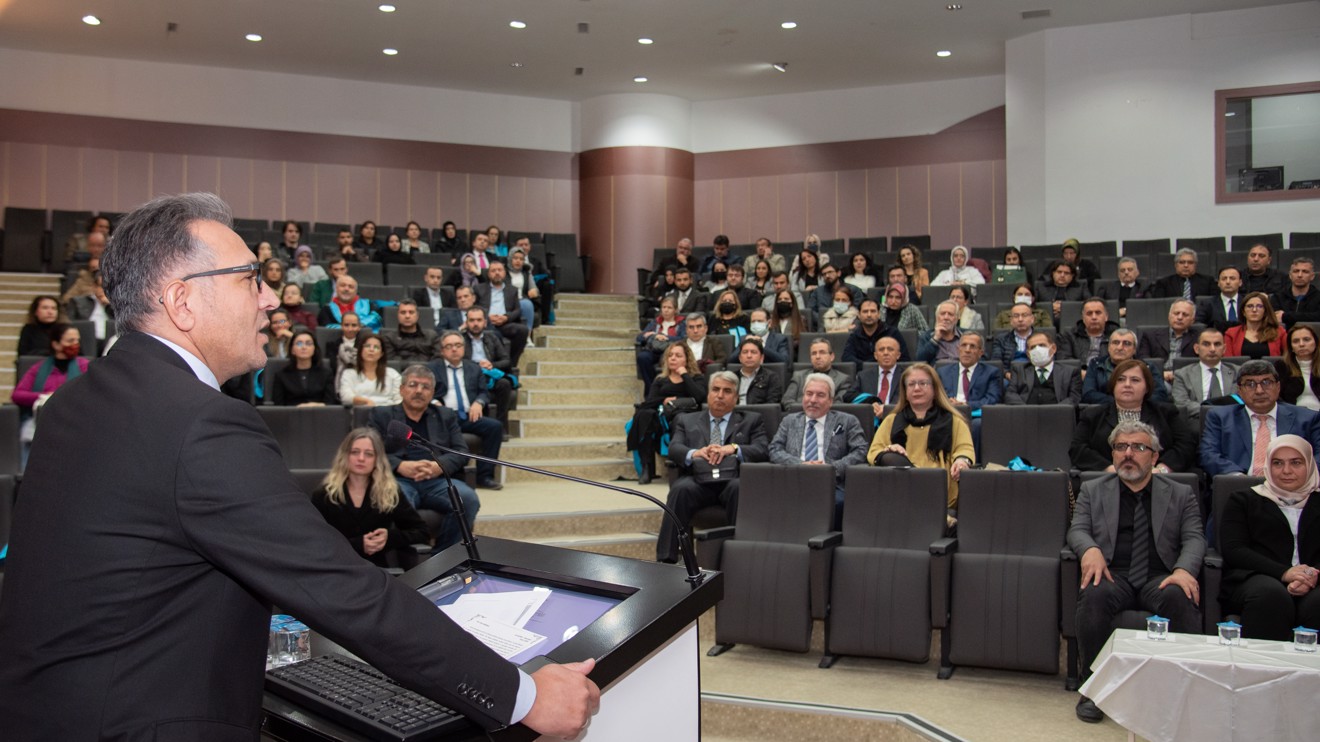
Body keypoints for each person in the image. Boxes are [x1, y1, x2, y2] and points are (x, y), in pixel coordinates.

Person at [0, 194, 597, 739]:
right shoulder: (200, 424)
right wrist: (522, 697)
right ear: (182, 300)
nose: (269, 297)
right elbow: (345, 592)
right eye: (248, 279)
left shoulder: (76, 401)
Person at [1068, 420, 1205, 724]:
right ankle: (1094, 688)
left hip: (1162, 575)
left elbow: (1195, 537)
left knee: (1180, 595)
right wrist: (1089, 549)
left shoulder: (1181, 493)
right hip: (1114, 573)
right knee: (1094, 594)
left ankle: (1185, 688)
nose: (1128, 454)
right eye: (1121, 447)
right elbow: (1078, 529)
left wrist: (1183, 569)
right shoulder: (1093, 489)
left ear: (1154, 456)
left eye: (1138, 447)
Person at [657, 371, 770, 563]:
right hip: (698, 480)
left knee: (740, 488)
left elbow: (762, 450)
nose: (720, 395)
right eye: (715, 390)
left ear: (735, 398)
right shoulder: (687, 420)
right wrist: (696, 453)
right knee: (680, 489)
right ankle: (667, 558)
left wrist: (732, 448)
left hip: (733, 480)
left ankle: (741, 555)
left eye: (727, 391)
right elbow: (675, 448)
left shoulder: (751, 420)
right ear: (708, 394)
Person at [368, 365, 484, 549]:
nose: (419, 391)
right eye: (413, 385)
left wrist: (439, 465)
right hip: (397, 480)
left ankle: (443, 559)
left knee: (468, 499)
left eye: (425, 387)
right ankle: (408, 558)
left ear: (432, 393)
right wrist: (399, 465)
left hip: (436, 480)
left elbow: (461, 451)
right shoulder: (382, 415)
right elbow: (370, 451)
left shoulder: (445, 415)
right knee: (395, 500)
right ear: (402, 389)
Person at [1219, 434, 1320, 641]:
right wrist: (1285, 573)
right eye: (1277, 463)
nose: (1286, 471)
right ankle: (1263, 669)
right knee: (1270, 595)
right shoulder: (1244, 500)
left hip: (1315, 580)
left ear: (1309, 464)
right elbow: (1234, 550)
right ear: (1267, 466)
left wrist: (1310, 575)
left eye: (1296, 462)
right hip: (1257, 578)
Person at [311, 428, 431, 568]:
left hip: (376, 572)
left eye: (368, 454)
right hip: (335, 569)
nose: (361, 458)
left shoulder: (389, 492)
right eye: (355, 452)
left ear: (377, 459)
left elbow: (422, 531)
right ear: (345, 455)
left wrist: (388, 538)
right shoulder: (324, 494)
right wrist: (358, 544)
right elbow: (315, 541)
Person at [869, 363, 975, 515]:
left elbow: (965, 448)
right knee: (891, 458)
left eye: (923, 383)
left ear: (934, 388)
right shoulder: (891, 420)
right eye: (911, 384)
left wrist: (961, 460)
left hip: (942, 490)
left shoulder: (953, 420)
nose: (917, 388)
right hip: (901, 489)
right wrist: (888, 451)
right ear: (905, 391)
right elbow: (873, 451)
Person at [769, 373, 869, 523]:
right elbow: (774, 449)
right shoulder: (789, 421)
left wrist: (830, 469)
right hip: (793, 479)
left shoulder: (848, 421)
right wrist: (800, 465)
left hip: (831, 484)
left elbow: (860, 450)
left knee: (838, 503)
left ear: (830, 401)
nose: (813, 400)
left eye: (820, 395)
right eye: (809, 394)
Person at [1070, 359, 1196, 473]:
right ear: (1113, 386)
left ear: (1147, 387)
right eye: (1121, 379)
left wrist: (1162, 469)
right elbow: (1077, 449)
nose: (1127, 384)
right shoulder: (1093, 415)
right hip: (1106, 481)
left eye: (1135, 380)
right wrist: (1109, 468)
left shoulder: (1166, 412)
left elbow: (1186, 445)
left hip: (1156, 479)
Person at [1201, 360, 1320, 477]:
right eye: (1250, 384)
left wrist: (1299, 475)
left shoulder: (1307, 418)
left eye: (1266, 382)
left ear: (1278, 387)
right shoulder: (1220, 417)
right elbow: (1208, 454)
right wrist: (1236, 476)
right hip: (1239, 487)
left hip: (1292, 487)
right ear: (1240, 391)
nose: (1259, 391)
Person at [428, 331, 505, 490]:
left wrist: (479, 402)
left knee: (495, 427)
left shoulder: (473, 368)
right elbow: (426, 391)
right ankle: (448, 475)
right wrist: (435, 403)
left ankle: (485, 476)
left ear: (463, 348)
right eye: (449, 346)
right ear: (442, 351)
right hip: (443, 416)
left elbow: (484, 392)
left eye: (457, 345)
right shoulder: (432, 368)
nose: (454, 349)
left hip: (468, 415)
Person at [627, 343, 707, 484]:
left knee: (681, 418)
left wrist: (684, 375)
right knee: (644, 415)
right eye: (670, 355)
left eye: (678, 355)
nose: (673, 359)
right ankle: (646, 467)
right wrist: (665, 400)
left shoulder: (696, 378)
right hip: (662, 416)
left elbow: (700, 397)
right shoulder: (660, 379)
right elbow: (650, 401)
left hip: (684, 415)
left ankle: (680, 463)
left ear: (687, 359)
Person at [1081, 329, 1169, 404]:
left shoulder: (1147, 367)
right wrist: (1121, 402)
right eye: (1115, 342)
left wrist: (1134, 404)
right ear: (1108, 347)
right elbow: (1088, 394)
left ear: (1134, 349)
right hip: (1105, 412)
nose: (1120, 347)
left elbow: (1160, 394)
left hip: (1141, 412)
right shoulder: (1096, 364)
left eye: (1126, 343)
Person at [1170, 328, 1238, 420]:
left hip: (1231, 420)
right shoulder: (1182, 374)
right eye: (1206, 344)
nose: (1212, 349)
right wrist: (1212, 410)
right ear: (1197, 349)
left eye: (1217, 344)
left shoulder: (1237, 372)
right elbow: (1182, 404)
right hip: (1198, 421)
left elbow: (1238, 400)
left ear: (1224, 349)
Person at [1004, 332, 1084, 405]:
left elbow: (1074, 398)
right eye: (1033, 347)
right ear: (1028, 354)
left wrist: (1055, 411)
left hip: (1058, 416)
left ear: (1053, 349)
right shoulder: (1019, 371)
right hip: (1027, 416)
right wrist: (1027, 410)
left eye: (1042, 345)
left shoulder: (1070, 372)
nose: (1037, 350)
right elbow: (1010, 395)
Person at [270, 329, 338, 406]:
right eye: (299, 344)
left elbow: (331, 403)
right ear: (292, 350)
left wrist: (315, 406)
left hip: (320, 416)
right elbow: (278, 408)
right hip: (291, 416)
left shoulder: (326, 374)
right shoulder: (281, 375)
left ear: (314, 349)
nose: (304, 347)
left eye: (308, 344)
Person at [783, 337, 856, 404]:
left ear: (831, 357)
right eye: (814, 353)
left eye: (822, 352)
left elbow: (838, 405)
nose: (817, 357)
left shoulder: (842, 379)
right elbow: (787, 400)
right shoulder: (799, 376)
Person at [1137, 299, 1196, 379]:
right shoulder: (1150, 335)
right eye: (1176, 313)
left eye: (1185, 315)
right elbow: (1143, 360)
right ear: (1169, 316)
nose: (1179, 317)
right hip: (1157, 377)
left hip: (1187, 378)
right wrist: (1160, 373)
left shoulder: (1199, 338)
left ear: (1192, 320)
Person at [338, 333, 403, 407]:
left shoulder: (393, 374)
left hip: (388, 414)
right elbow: (345, 397)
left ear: (381, 354)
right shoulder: (349, 373)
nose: (371, 350)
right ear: (361, 351)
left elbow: (399, 399)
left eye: (376, 347)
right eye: (367, 346)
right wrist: (366, 401)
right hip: (360, 413)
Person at [843, 297, 910, 364]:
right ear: (859, 315)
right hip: (862, 372)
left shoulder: (892, 333)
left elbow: (904, 358)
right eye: (865, 311)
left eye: (873, 311)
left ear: (879, 314)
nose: (869, 315)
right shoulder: (855, 336)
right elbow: (847, 358)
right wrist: (867, 366)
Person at [636, 296, 686, 387]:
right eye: (664, 307)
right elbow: (639, 338)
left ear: (675, 310)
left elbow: (683, 338)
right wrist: (652, 335)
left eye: (669, 308)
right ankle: (651, 387)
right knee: (642, 357)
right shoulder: (655, 322)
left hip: (670, 351)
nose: (666, 310)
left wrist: (666, 337)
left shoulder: (681, 323)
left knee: (666, 359)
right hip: (654, 350)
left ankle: (665, 387)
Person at [1223, 291, 1286, 359]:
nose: (1254, 310)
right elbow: (1229, 363)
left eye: (1259, 306)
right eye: (1250, 306)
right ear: (1243, 311)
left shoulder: (1279, 332)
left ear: (1265, 311)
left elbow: (1288, 358)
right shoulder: (1231, 334)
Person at [1057, 298, 1118, 365]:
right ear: (1083, 318)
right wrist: (1081, 372)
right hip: (1078, 373)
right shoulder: (1069, 335)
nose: (1094, 317)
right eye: (1089, 313)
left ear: (1106, 316)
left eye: (1098, 313)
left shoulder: (1117, 335)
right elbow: (1064, 360)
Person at [1277, 324, 1320, 410]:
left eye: (1306, 340)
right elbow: (1277, 396)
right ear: (1291, 347)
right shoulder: (1282, 367)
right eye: (1296, 341)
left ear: (1316, 342)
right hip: (1293, 415)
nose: (1301, 344)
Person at [381, 299, 437, 363]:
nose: (407, 316)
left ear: (417, 315)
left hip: (427, 372)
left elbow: (437, 361)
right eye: (403, 312)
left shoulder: (431, 336)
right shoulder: (388, 338)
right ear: (398, 316)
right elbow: (392, 363)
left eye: (411, 312)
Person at [731, 337, 783, 405]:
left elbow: (772, 406)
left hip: (759, 414)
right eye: (745, 352)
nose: (749, 356)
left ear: (761, 358)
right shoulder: (731, 377)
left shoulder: (771, 377)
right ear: (740, 358)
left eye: (753, 352)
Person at [857, 336, 904, 410]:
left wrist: (886, 410)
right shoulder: (863, 376)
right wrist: (871, 403)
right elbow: (849, 396)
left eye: (890, 349)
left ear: (898, 355)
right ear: (875, 355)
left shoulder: (906, 376)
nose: (885, 353)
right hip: (870, 417)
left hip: (895, 416)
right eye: (881, 350)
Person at [1195, 266, 1246, 333]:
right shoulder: (1207, 304)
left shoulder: (1247, 302)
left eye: (1232, 278)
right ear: (1218, 283)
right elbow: (1198, 325)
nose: (1228, 282)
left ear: (1240, 282)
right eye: (1224, 279)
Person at [1273, 256, 1320, 327]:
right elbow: (1274, 318)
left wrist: (1285, 316)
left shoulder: (1318, 297)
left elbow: (1318, 317)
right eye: (1296, 271)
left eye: (1305, 272)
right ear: (1290, 275)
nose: (1300, 275)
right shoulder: (1277, 297)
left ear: (1312, 276)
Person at [1036, 261, 1087, 325]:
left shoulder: (1080, 287)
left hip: (1072, 321)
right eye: (1059, 272)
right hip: (1046, 320)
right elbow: (1034, 305)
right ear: (1053, 273)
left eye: (1066, 273)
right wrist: (1051, 307)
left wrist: (1064, 308)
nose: (1062, 275)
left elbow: (1088, 303)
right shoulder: (1041, 287)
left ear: (1072, 276)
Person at [990, 301, 1037, 368]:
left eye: (1024, 315)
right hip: (1009, 375)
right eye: (1016, 316)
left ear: (1032, 319)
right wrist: (1006, 373)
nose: (1020, 319)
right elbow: (996, 363)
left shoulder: (1042, 339)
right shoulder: (1001, 339)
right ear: (1011, 320)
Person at [327, 312, 362, 384]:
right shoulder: (332, 346)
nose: (350, 329)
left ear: (359, 327)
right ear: (341, 326)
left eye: (354, 325)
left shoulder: (364, 345)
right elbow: (332, 367)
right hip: (338, 380)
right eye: (346, 325)